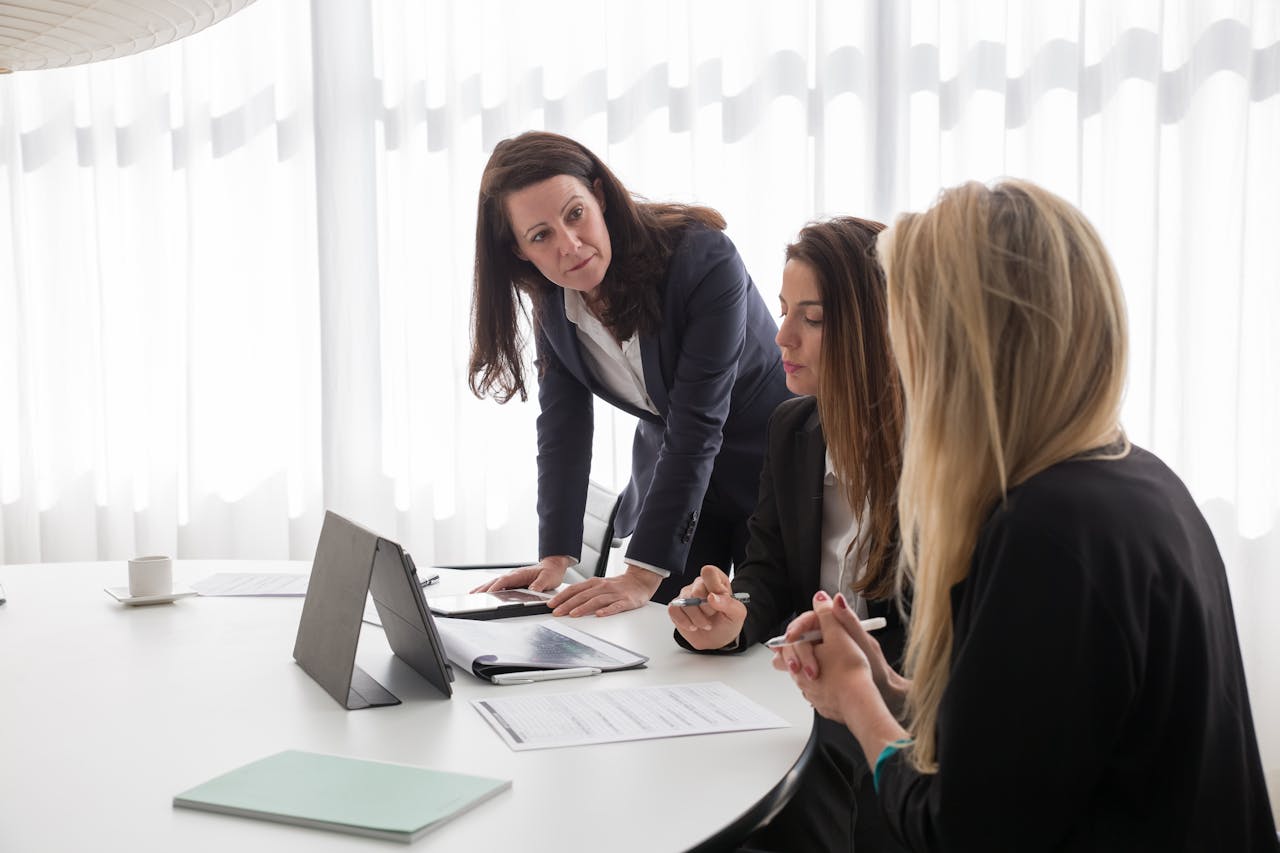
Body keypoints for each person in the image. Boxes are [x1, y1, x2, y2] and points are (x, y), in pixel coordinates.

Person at [774, 180, 1279, 850]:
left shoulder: (1046, 533)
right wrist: (890, 687)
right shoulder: (1139, 481)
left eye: (910, 331)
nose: (899, 362)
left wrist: (858, 705)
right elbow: (1030, 755)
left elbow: (959, 832)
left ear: (965, 346)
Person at [468, 131, 791, 616]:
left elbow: (698, 421)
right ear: (519, 251)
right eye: (541, 236)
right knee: (664, 637)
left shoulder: (703, 260)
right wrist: (556, 556)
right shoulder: (553, 301)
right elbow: (562, 427)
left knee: (761, 635)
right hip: (675, 484)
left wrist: (642, 572)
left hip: (765, 469)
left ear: (599, 196)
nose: (570, 245)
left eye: (574, 214)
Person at [668, 217, 907, 853]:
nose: (782, 336)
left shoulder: (936, 457)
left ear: (876, 328)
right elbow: (768, 570)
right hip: (798, 703)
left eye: (814, 317)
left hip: (888, 720)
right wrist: (733, 614)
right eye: (782, 312)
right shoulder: (792, 428)